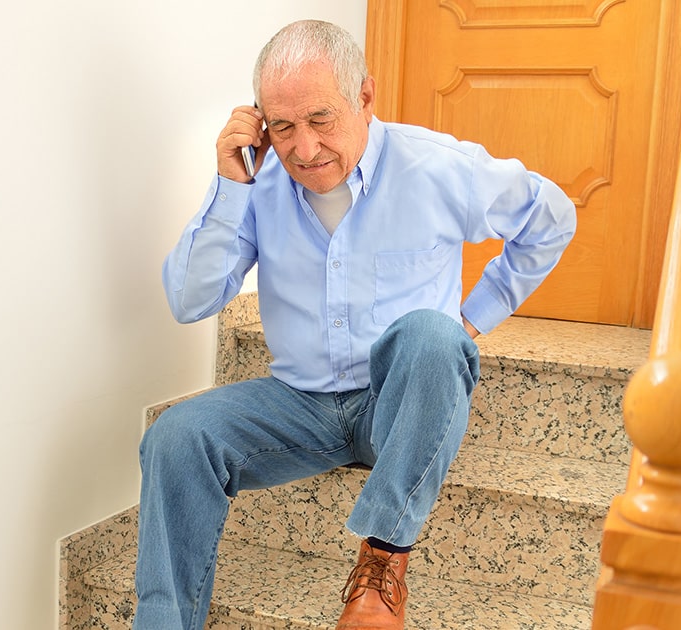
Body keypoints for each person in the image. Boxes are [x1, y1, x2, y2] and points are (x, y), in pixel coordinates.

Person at [136, 19, 576, 630]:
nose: (304, 149)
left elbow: (551, 218)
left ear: (365, 97)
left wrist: (474, 318)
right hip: (298, 404)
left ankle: (382, 564)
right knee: (175, 436)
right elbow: (190, 300)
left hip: (399, 405)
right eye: (283, 127)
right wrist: (228, 187)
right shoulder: (256, 185)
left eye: (321, 120)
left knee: (433, 334)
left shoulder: (440, 168)